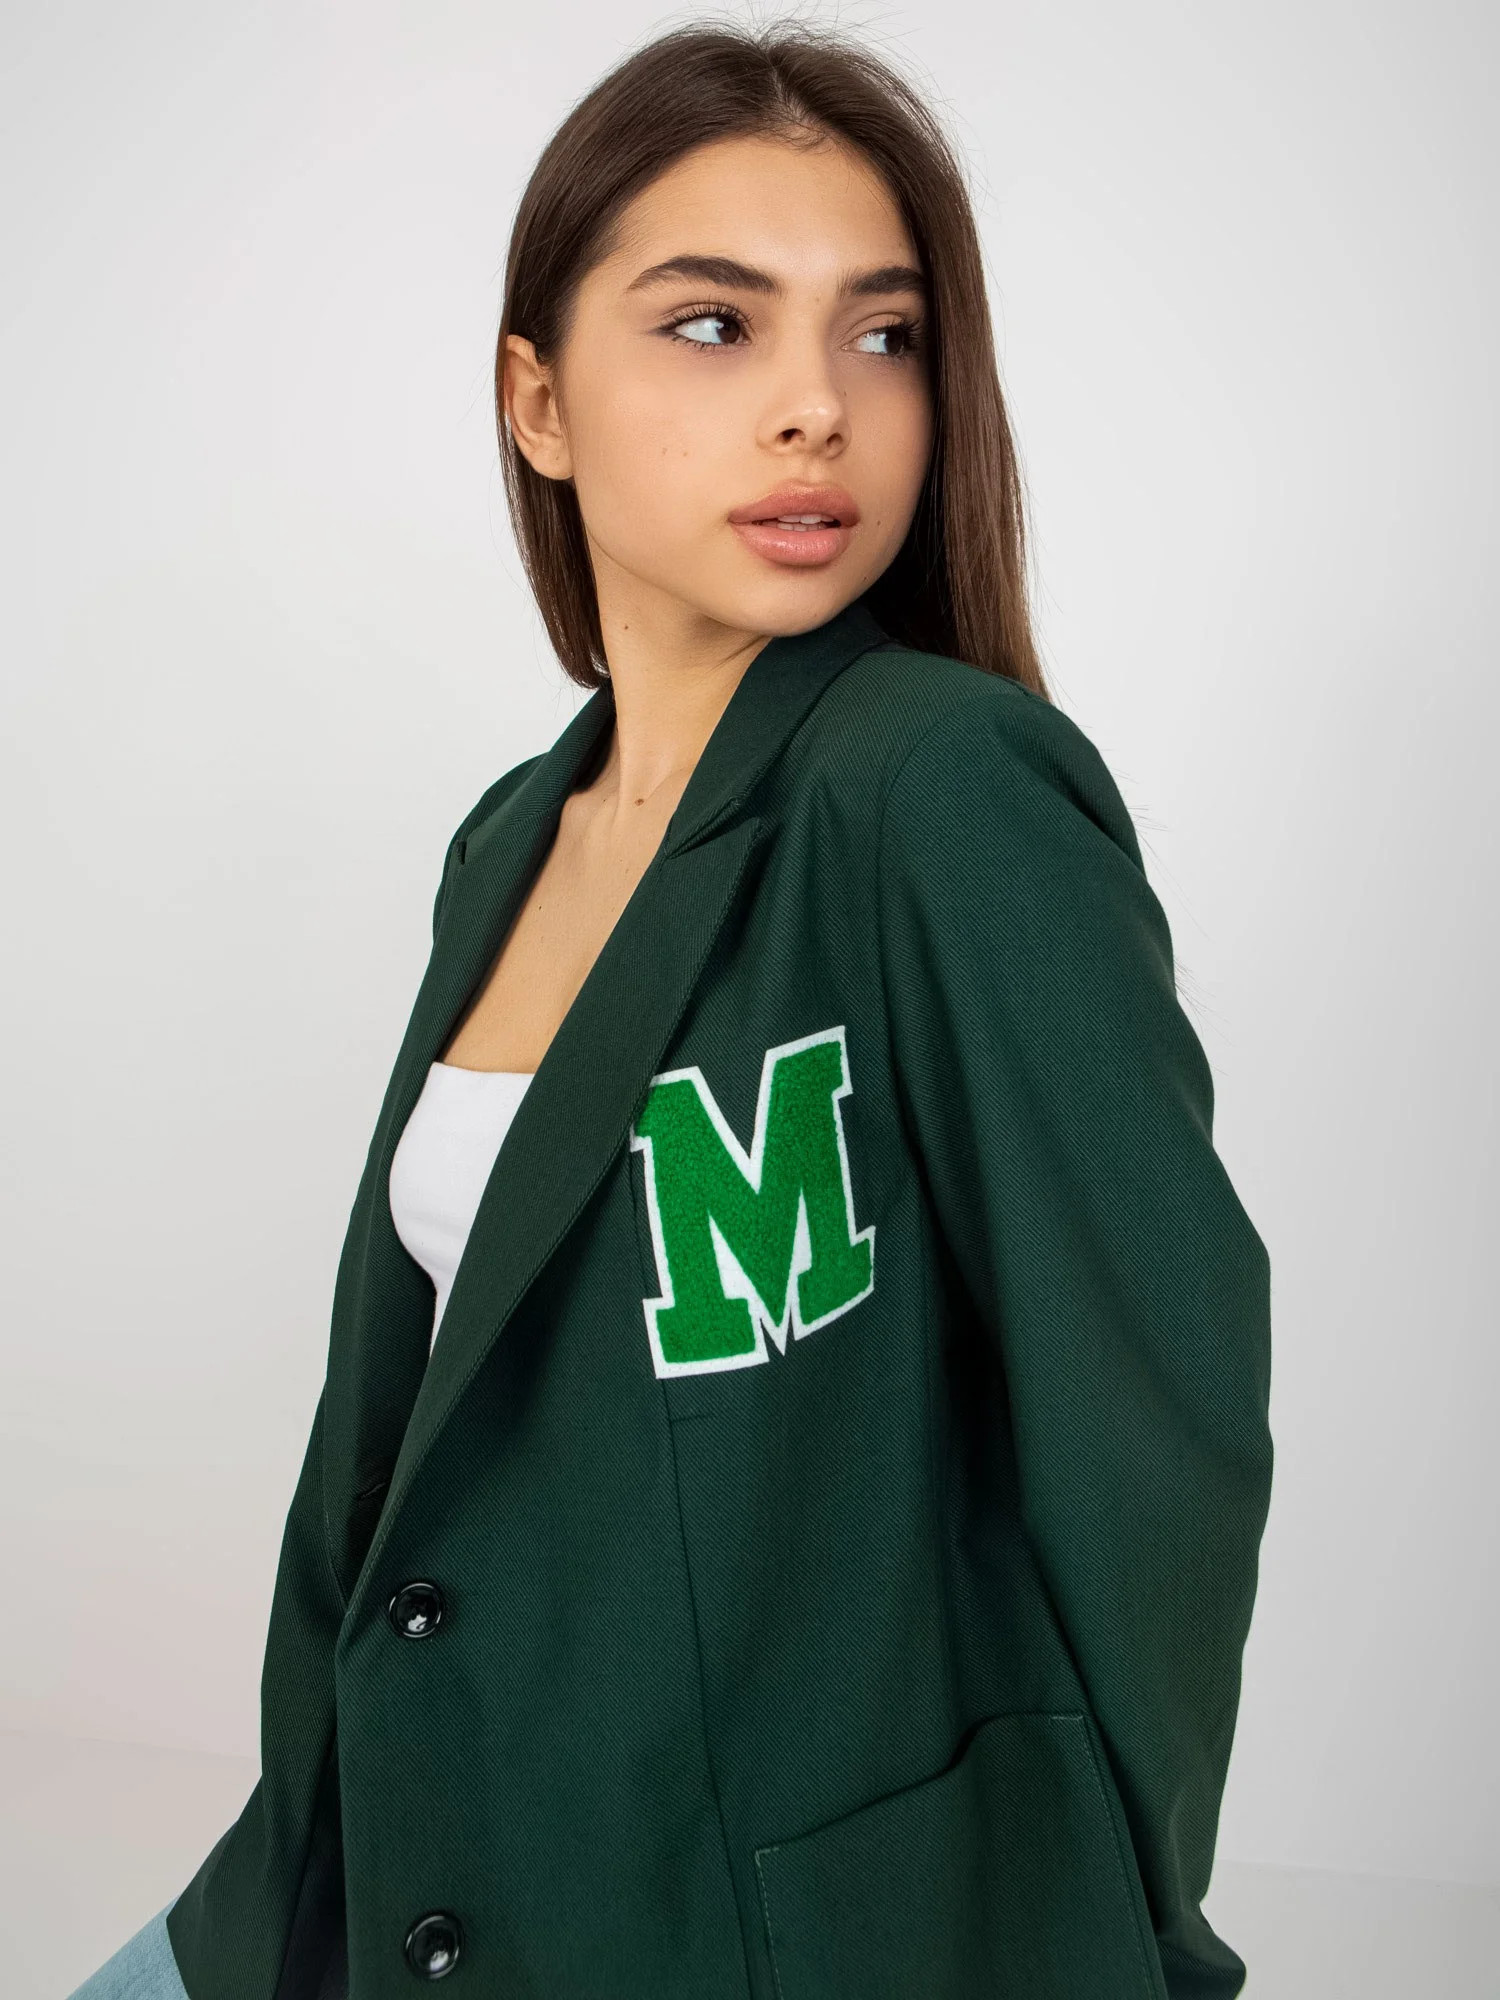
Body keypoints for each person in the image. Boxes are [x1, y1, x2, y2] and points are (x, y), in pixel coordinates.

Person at [70, 19, 1273, 2000]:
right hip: (381, 1859)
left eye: (883, 336)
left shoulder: (939, 787)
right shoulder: (507, 839)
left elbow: (1158, 1426)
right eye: (714, 326)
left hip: (749, 1927)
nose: (816, 408)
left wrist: (1101, 1917)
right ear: (539, 402)